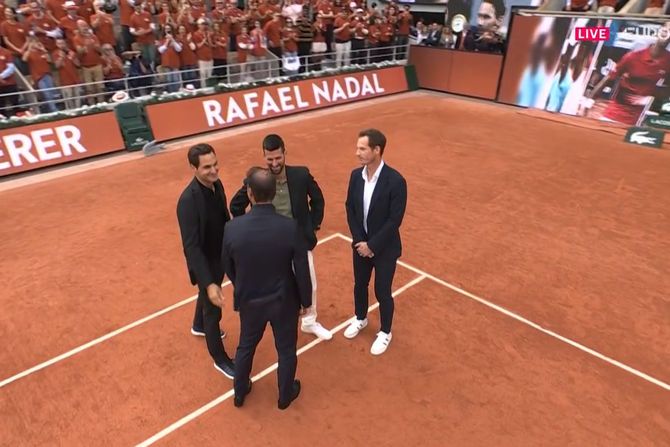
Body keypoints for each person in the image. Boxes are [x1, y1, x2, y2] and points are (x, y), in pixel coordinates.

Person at [223, 167, 311, 409]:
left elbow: (227, 265)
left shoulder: (232, 228)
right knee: (286, 350)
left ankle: (239, 393)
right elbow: (301, 268)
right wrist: (305, 301)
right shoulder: (290, 227)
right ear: (273, 193)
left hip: (250, 300)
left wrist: (242, 285)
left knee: (246, 347)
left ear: (249, 193)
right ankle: (285, 396)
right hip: (284, 301)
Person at [230, 134, 331, 341]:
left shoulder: (301, 175)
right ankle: (282, 320)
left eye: (278, 158)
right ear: (263, 156)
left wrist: (313, 226)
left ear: (285, 153)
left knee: (309, 282)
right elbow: (235, 205)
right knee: (275, 285)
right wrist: (251, 230)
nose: (274, 163)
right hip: (270, 245)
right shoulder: (256, 180)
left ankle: (309, 321)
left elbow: (318, 200)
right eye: (270, 159)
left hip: (298, 241)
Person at [344, 129, 407, 356]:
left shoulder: (396, 181)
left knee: (382, 291)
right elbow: (350, 208)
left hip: (384, 249)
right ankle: (360, 318)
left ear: (376, 150)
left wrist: (372, 245)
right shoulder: (355, 176)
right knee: (359, 285)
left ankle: (385, 331)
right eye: (358, 148)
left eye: (362, 149)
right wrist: (360, 241)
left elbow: (394, 220)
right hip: (360, 246)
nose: (357, 153)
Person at [176, 143, 235, 379]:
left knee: (206, 298)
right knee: (213, 310)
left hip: (221, 252)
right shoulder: (187, 202)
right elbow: (191, 247)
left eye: (215, 164)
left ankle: (198, 325)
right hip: (205, 261)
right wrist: (209, 283)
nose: (214, 170)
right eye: (207, 167)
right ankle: (220, 359)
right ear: (193, 168)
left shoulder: (216, 185)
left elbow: (224, 217)